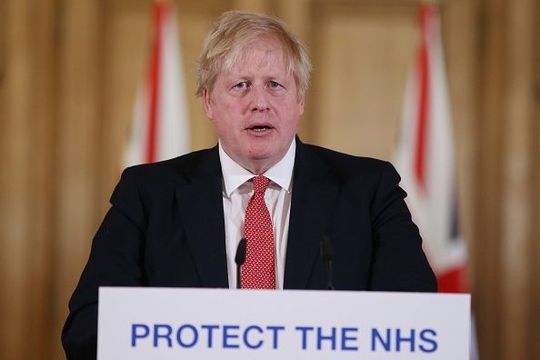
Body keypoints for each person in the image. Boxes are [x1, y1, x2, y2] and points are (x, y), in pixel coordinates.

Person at [62, 10, 436, 359]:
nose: (260, 102)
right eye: (240, 85)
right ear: (209, 101)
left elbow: (418, 322)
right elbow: (88, 329)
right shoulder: (147, 195)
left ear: (300, 99)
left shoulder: (369, 191)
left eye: (275, 85)